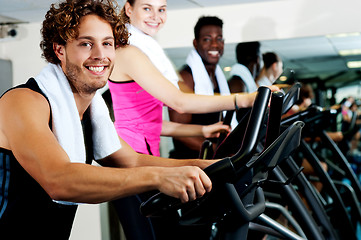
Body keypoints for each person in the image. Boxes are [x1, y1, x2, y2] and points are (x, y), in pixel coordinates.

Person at [0, 0, 217, 238]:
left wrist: (210, 167)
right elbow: (59, 180)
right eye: (86, 44)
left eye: (107, 43)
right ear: (59, 49)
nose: (100, 55)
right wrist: (159, 178)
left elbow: (132, 161)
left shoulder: (91, 111)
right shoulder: (23, 101)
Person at [168, 16, 237, 159]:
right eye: (207, 39)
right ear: (196, 43)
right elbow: (178, 131)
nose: (215, 45)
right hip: (190, 161)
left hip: (214, 159)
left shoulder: (219, 77)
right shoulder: (186, 78)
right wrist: (216, 151)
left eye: (219, 39)